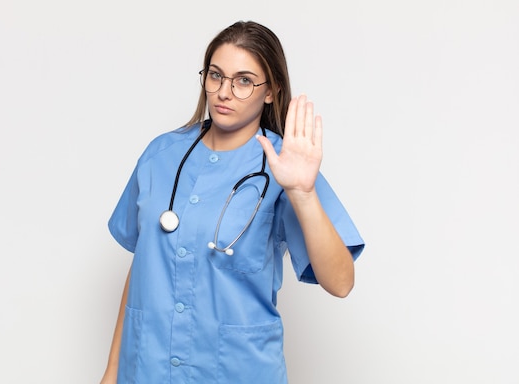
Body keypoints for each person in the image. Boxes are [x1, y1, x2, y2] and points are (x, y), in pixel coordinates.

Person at [100, 20, 364, 384]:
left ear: (270, 91)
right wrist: (112, 372)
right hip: (148, 369)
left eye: (243, 81)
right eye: (215, 76)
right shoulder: (159, 155)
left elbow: (340, 282)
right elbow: (143, 267)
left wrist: (302, 193)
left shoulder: (285, 166)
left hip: (237, 372)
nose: (224, 92)